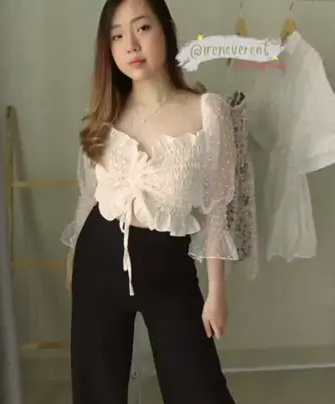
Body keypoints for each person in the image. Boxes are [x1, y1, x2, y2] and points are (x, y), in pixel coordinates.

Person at [61, 0, 238, 402]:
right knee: (96, 392)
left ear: (166, 31)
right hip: (97, 261)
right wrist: (72, 260)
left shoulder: (207, 111)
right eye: (117, 36)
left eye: (142, 28)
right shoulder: (104, 112)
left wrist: (217, 290)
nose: (131, 45)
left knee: (198, 389)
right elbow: (89, 195)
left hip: (168, 266)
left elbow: (217, 208)